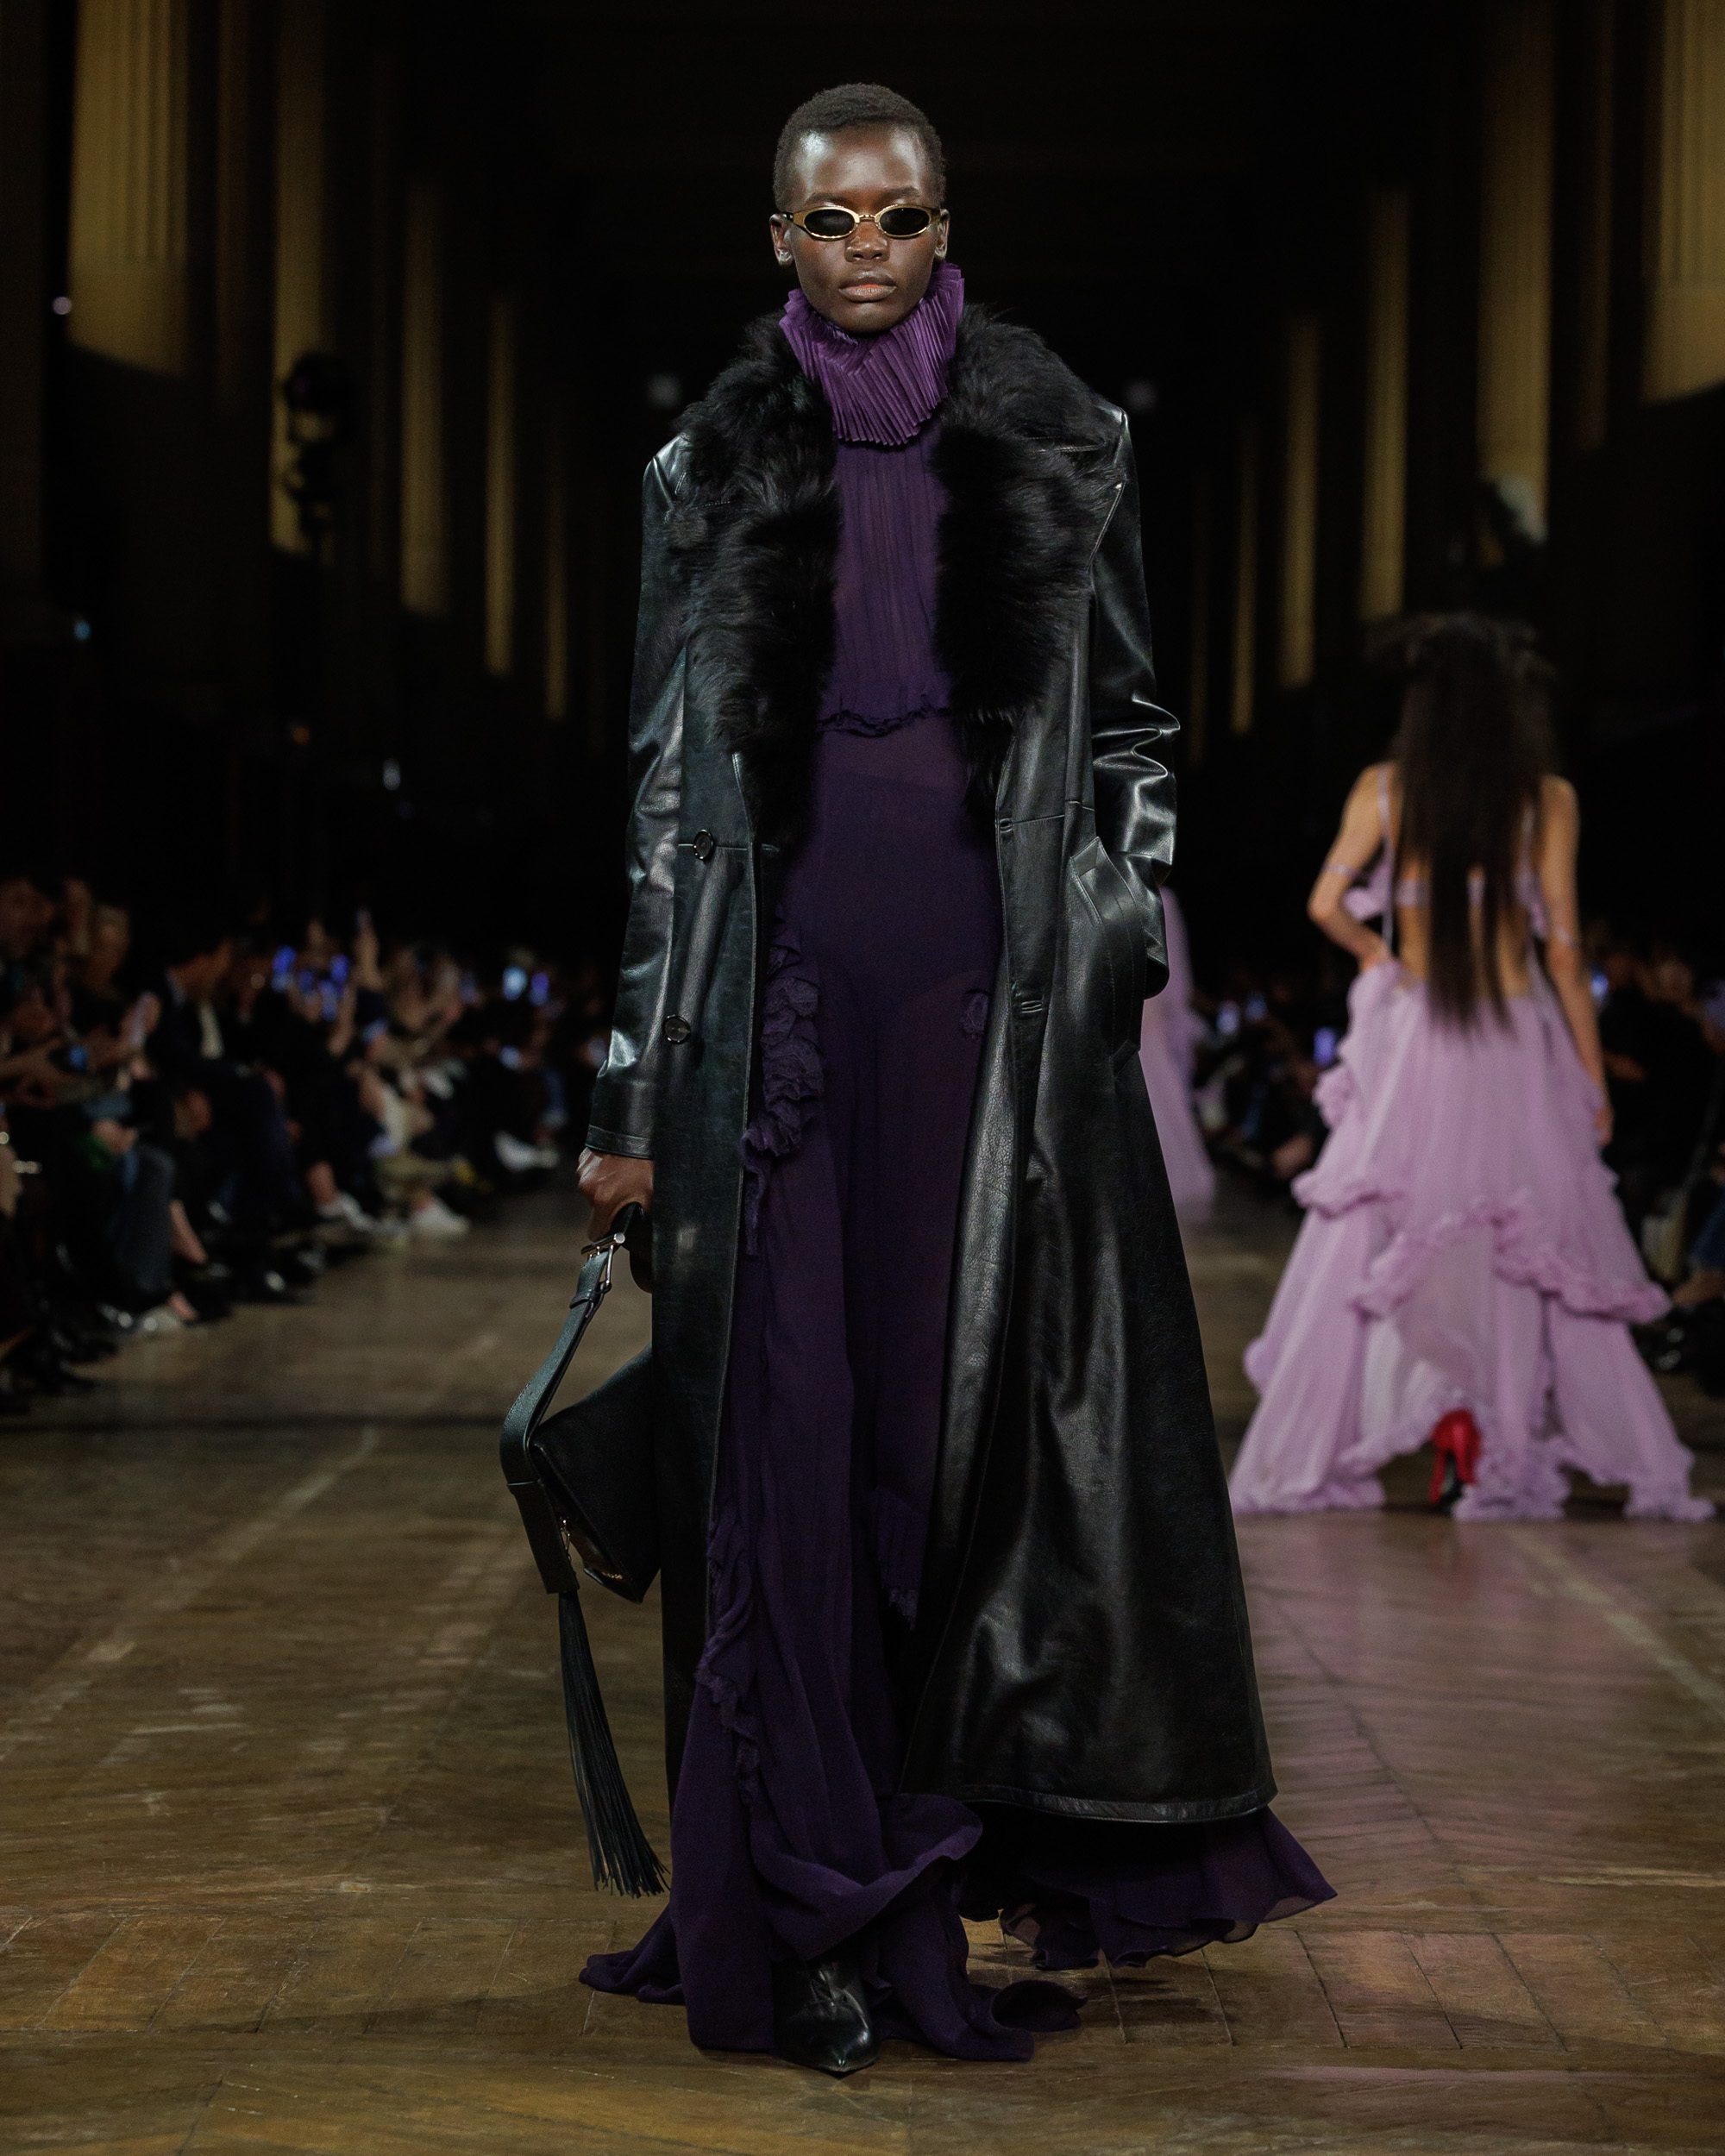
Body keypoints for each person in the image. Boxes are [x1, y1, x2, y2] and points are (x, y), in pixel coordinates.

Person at [575, 82, 1330, 2076]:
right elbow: (661, 796)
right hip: (780, 1022)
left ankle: (922, 1876)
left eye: (896, 218)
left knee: (948, 1460)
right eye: (828, 221)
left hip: (989, 1036)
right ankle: (815, 1906)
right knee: (791, 1463)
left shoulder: (1065, 446)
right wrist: (630, 1092)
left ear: (942, 226)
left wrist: (1109, 934)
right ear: (776, 237)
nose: (864, 252)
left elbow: (1134, 732)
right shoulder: (701, 472)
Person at [1232, 614, 1711, 1523]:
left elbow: (1325, 903)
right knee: (1518, 1243)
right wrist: (1590, 1078)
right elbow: (1562, 952)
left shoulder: (1384, 789)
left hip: (1419, 1036)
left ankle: (1440, 1423)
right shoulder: (1544, 799)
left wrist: (1378, 957)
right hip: (1513, 1042)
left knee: (1401, 1230)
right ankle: (1492, 1438)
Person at [1136, 886, 1215, 1218]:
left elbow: (1174, 974)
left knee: (1155, 1090)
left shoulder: (1161, 899)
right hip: (1122, 1003)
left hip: (1147, 1009)